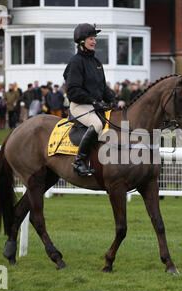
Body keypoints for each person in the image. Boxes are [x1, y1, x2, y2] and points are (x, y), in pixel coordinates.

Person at [64, 23, 116, 176]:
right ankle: (79, 163)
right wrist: (93, 101)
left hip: (95, 106)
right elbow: (73, 91)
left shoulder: (97, 63)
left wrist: (113, 100)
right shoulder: (75, 62)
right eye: (91, 39)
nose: (94, 41)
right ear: (81, 42)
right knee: (97, 124)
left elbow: (103, 88)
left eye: (94, 38)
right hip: (79, 106)